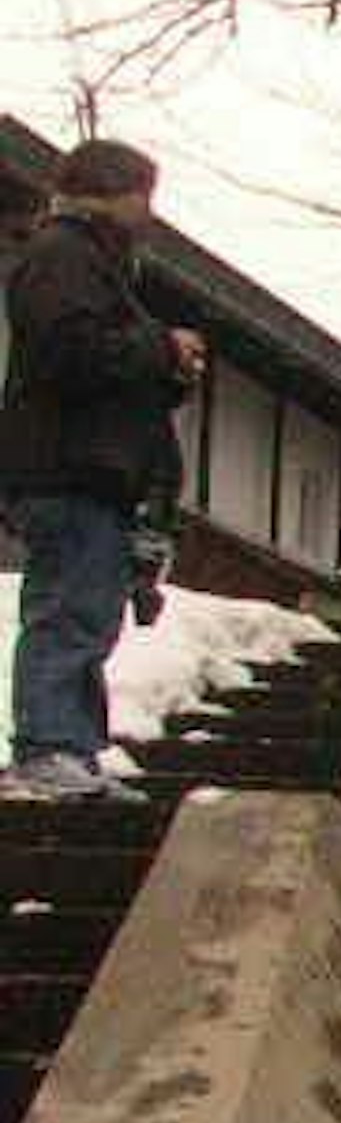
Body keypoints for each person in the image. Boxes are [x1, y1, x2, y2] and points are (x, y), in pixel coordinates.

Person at [0, 142, 206, 800]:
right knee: (68, 609)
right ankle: (47, 749)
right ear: (112, 193)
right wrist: (158, 344)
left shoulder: (88, 264)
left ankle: (70, 748)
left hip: (91, 469)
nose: (149, 212)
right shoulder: (64, 257)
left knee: (86, 612)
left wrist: (165, 364)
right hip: (71, 469)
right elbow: (68, 353)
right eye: (143, 195)